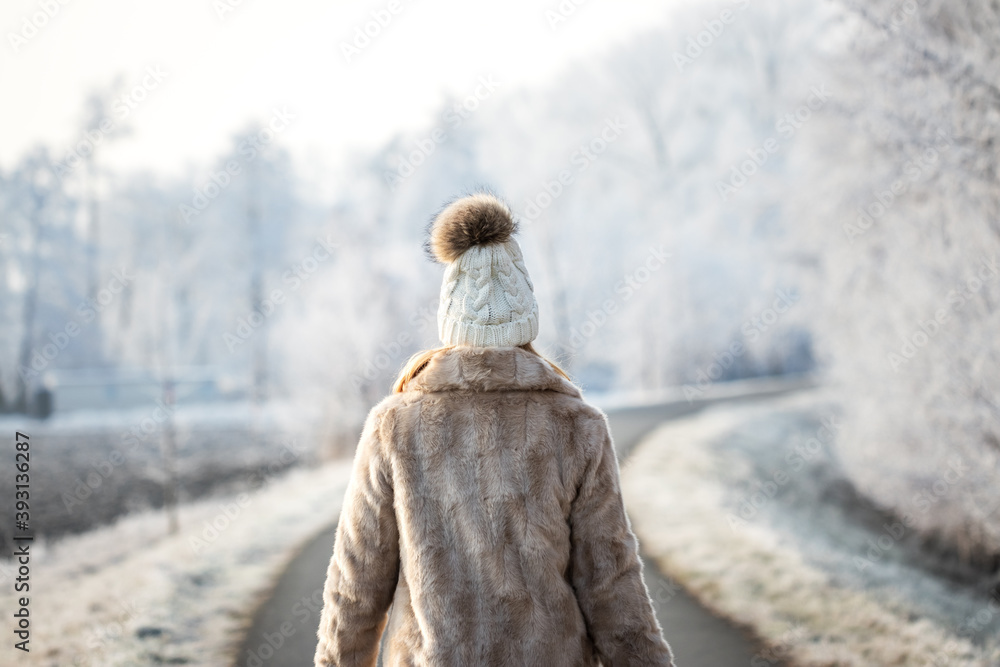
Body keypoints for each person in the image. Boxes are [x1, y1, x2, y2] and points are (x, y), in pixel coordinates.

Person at [314, 192, 675, 667]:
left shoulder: (394, 426)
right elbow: (611, 584)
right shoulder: (578, 427)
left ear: (450, 320)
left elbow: (356, 585)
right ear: (526, 322)